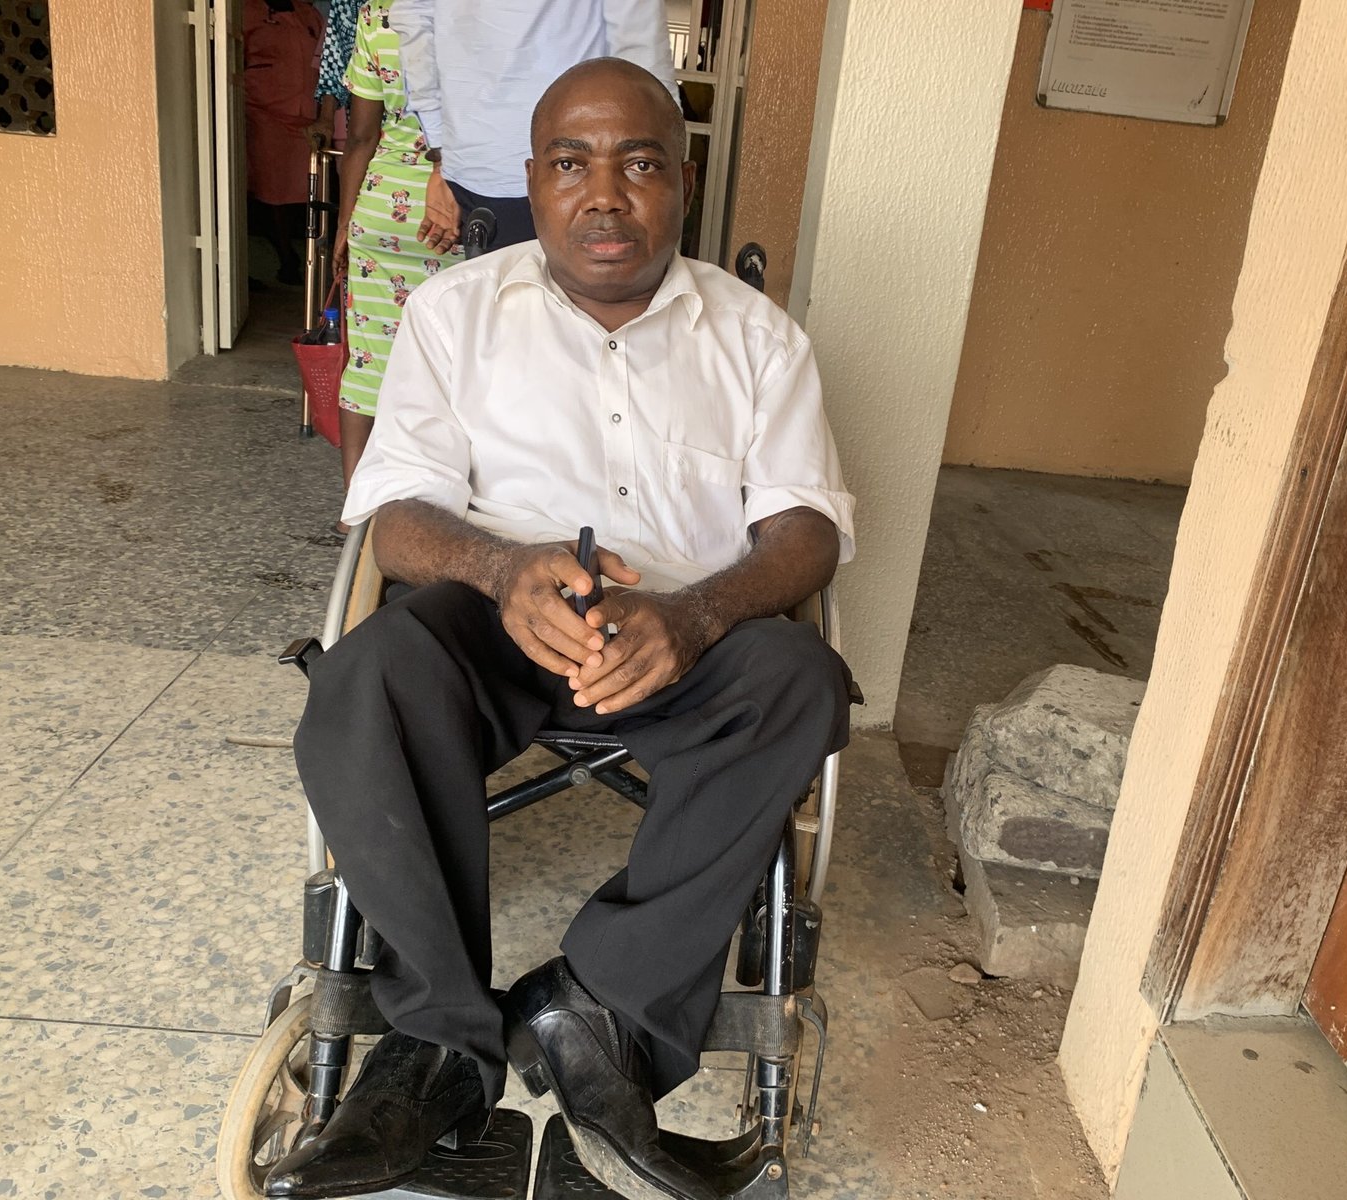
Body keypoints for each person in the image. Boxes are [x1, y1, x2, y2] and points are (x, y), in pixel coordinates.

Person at [267, 59, 854, 1200]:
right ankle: (439, 1044)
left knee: (801, 679)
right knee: (369, 672)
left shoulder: (758, 339)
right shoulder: (455, 314)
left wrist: (694, 614)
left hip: (685, 636)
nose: (604, 195)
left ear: (679, 181)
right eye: (571, 165)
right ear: (531, 183)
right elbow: (396, 518)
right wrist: (499, 567)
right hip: (496, 624)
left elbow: (805, 532)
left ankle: (601, 1015)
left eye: (637, 163)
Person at [392, 0, 677, 253]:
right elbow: (640, 44)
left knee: (499, 305)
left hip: (476, 164)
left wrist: (441, 150)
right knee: (591, 306)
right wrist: (661, 162)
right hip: (579, 170)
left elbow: (414, 19)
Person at [329, 0, 460, 500]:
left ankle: (354, 503)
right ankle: (433, 494)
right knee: (450, 361)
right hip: (453, 210)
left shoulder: (375, 13)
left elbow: (360, 136)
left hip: (380, 209)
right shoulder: (481, 15)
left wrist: (346, 223)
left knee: (368, 357)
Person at [244, 0, 326, 285]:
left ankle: (307, 255)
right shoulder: (248, 10)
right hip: (264, 111)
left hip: (308, 114)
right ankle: (286, 258)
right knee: (272, 188)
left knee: (305, 188)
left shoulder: (305, 10)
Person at [306, 0, 362, 151]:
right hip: (364, 129)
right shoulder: (347, 4)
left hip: (424, 128)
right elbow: (334, 63)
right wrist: (326, 118)